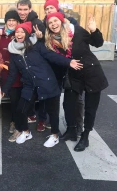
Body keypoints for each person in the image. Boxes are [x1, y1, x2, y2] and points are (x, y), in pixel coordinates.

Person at [2, 21, 82, 147]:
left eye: (22, 31)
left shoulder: (37, 46)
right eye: (17, 31)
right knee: (20, 110)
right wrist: (4, 90)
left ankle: (55, 135)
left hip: (47, 82)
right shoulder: (13, 53)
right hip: (29, 85)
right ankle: (26, 132)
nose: (19, 33)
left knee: (52, 112)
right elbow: (12, 74)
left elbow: (51, 56)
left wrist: (68, 62)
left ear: (27, 34)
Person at [45, 12, 108, 151]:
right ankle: (71, 130)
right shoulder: (52, 40)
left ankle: (85, 136)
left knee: (90, 108)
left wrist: (94, 30)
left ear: (61, 21)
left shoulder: (76, 31)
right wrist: (69, 62)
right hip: (73, 75)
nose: (53, 24)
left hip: (91, 72)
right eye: (50, 22)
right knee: (68, 104)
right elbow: (56, 58)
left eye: (55, 21)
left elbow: (97, 43)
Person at [36, 0, 84, 135]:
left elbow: (79, 40)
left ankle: (78, 127)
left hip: (73, 65)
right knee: (53, 94)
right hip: (55, 66)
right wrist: (39, 38)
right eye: (46, 9)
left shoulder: (70, 22)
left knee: (76, 98)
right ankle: (52, 120)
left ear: (57, 8)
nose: (48, 10)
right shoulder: (45, 24)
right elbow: (44, 47)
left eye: (51, 7)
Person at [0, 10, 23, 141]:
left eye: (14, 20)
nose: (11, 23)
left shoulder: (19, 34)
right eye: (9, 20)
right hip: (2, 72)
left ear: (18, 22)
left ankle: (15, 122)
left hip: (16, 72)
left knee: (15, 100)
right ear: (6, 22)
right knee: (8, 97)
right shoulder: (0, 35)